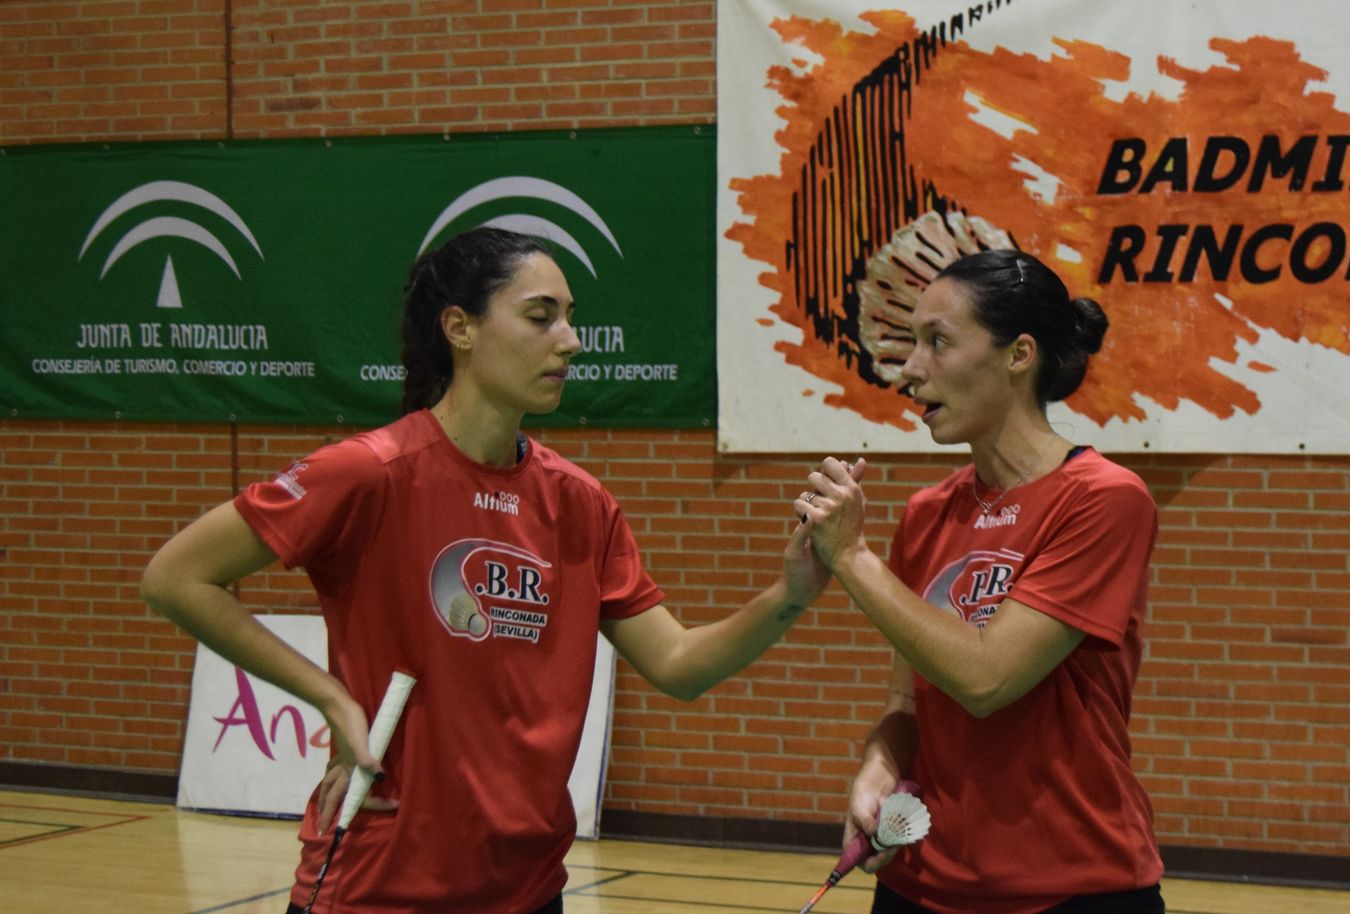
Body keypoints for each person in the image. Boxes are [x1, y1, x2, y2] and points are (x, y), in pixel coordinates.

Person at [141, 227, 851, 914]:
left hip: (528, 889)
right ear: (461, 328)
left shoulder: (581, 505)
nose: (570, 341)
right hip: (376, 886)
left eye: (571, 319)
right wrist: (331, 698)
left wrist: (789, 595)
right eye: (542, 316)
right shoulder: (369, 472)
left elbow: (679, 665)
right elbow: (176, 578)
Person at [795, 249, 1165, 914]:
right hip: (918, 886)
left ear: (1019, 355)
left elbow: (986, 679)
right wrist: (876, 770)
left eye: (937, 342)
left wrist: (850, 557)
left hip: (1073, 888)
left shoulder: (1105, 500)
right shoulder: (927, 512)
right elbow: (909, 704)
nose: (910, 370)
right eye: (913, 344)